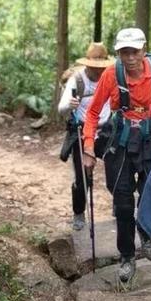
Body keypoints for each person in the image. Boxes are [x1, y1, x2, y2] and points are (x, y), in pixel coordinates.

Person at [82, 27, 151, 283]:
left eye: (134, 51)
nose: (130, 57)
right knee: (123, 201)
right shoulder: (111, 75)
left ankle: (146, 231)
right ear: (118, 53)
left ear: (144, 50)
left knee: (150, 192)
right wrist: (89, 146)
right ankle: (127, 256)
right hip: (122, 139)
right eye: (124, 52)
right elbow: (93, 112)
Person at [57, 42, 113, 231]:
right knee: (82, 178)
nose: (98, 70)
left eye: (101, 67)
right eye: (94, 66)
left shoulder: (110, 76)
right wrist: (70, 105)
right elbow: (61, 108)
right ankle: (79, 213)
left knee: (118, 170)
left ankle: (119, 205)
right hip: (81, 131)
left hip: (106, 130)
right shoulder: (77, 80)